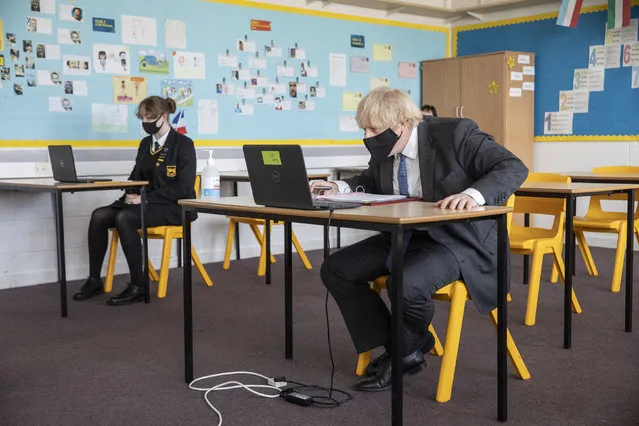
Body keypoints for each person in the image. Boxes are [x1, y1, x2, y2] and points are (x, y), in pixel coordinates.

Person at [311, 87, 527, 392]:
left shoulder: (455, 133)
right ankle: (406, 347)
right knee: (336, 269)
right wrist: (336, 187)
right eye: (364, 128)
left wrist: (472, 194)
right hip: (407, 235)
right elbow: (370, 181)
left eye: (374, 129)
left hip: (458, 239)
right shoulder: (386, 150)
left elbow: (513, 167)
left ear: (401, 123)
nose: (367, 135)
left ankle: (401, 351)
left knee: (406, 281)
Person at [72, 96, 197, 306]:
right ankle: (94, 280)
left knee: (124, 218)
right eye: (142, 117)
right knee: (99, 215)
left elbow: (183, 188)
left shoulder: (183, 145)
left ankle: (139, 285)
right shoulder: (145, 143)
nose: (145, 122)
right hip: (144, 202)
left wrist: (144, 198)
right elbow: (136, 176)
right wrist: (130, 192)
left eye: (150, 117)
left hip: (174, 207)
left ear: (164, 117)